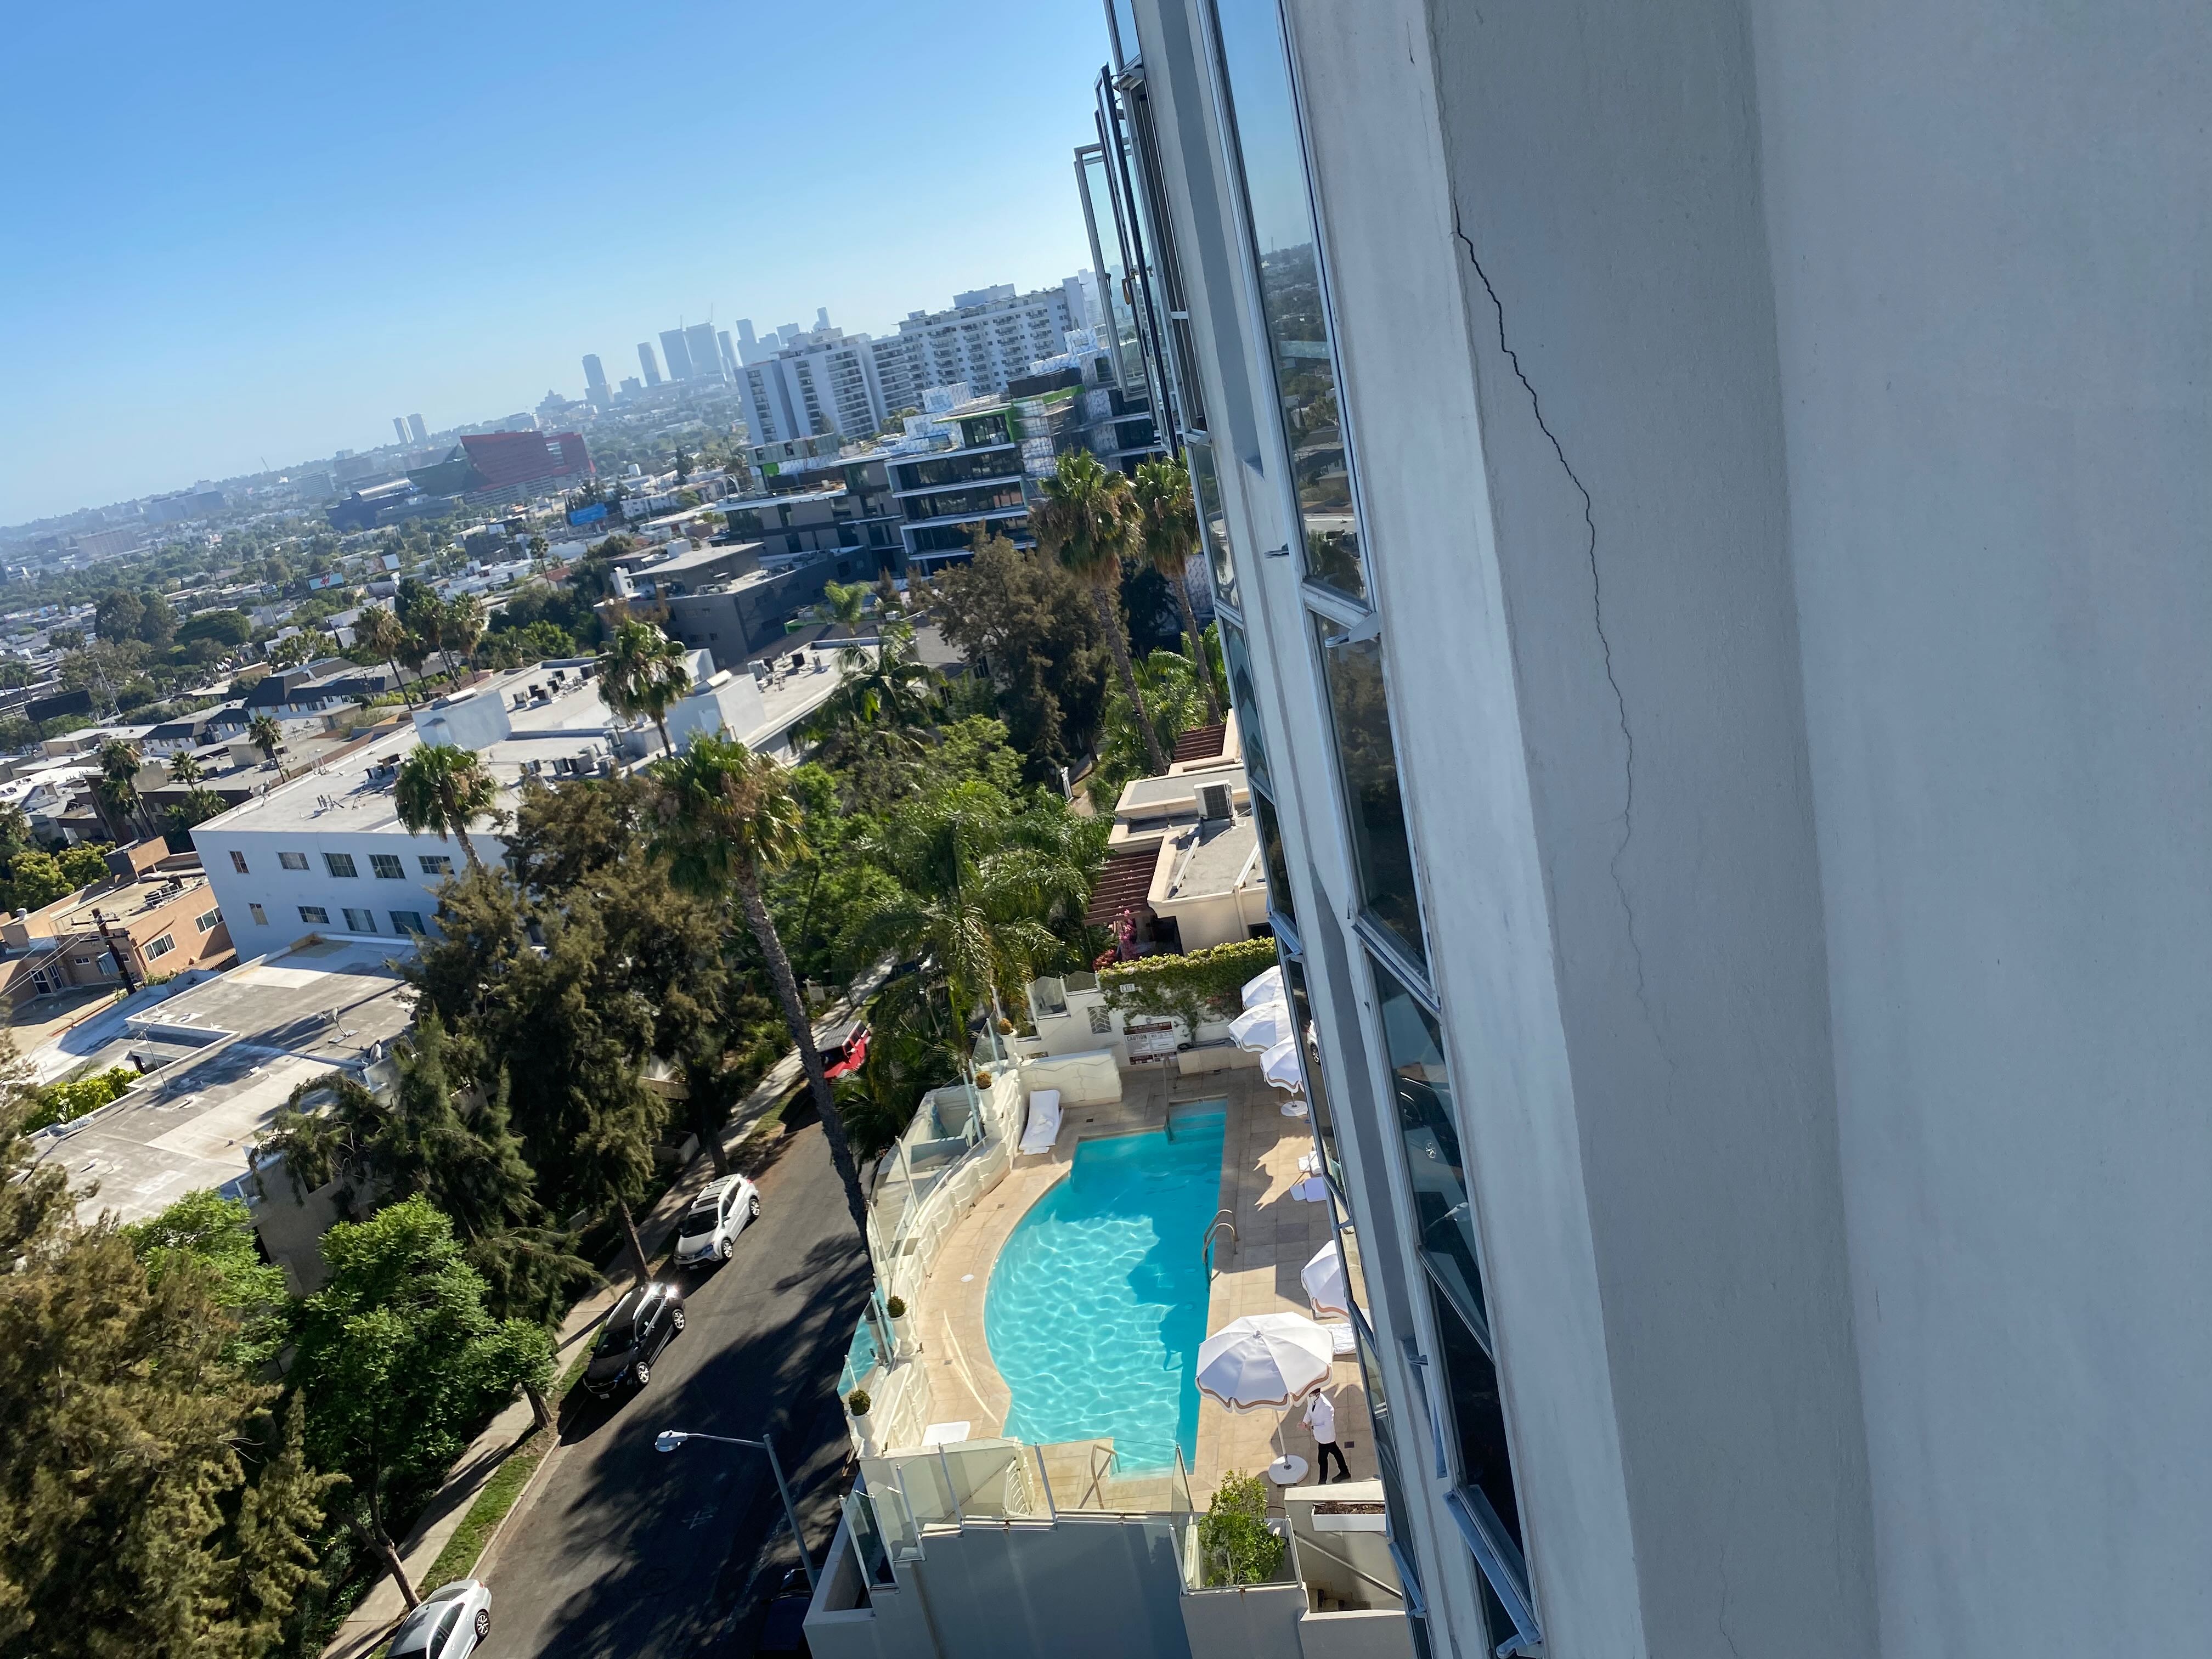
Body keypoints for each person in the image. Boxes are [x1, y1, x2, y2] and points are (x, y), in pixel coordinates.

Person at [1304, 1385, 1349, 1483]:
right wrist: (1305, 1422)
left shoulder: (1327, 1408)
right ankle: (1345, 1472)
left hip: (1327, 1437)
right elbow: (1309, 1411)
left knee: (1322, 1459)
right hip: (1321, 1437)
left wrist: (1312, 1427)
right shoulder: (1311, 1398)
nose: (1309, 1396)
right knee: (1336, 1452)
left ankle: (1322, 1482)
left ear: (1317, 1394)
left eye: (1310, 1394)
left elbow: (1327, 1427)